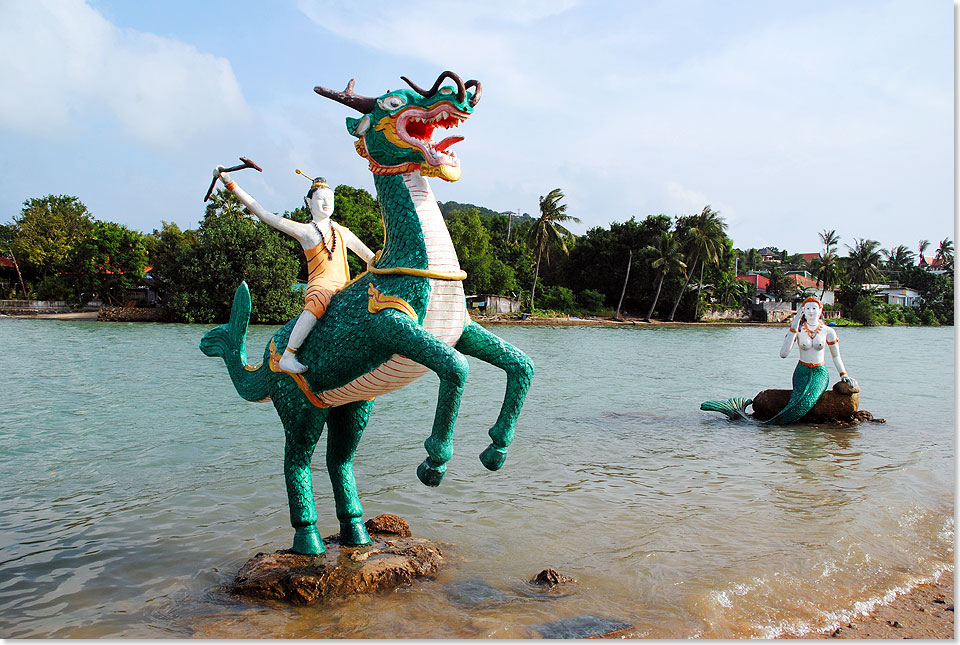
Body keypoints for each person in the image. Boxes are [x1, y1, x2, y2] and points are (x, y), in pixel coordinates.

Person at [214, 166, 375, 373]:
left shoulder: (343, 232)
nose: (326, 203)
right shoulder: (306, 230)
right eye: (320, 198)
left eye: (330, 198)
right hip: (321, 286)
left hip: (345, 284)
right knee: (319, 301)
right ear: (308, 202)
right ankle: (289, 354)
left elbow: (371, 258)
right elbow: (264, 214)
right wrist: (229, 183)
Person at [771, 296, 857, 424]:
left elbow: (836, 356)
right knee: (797, 399)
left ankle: (780, 423)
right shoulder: (799, 330)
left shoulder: (828, 331)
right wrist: (794, 325)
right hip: (801, 371)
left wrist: (843, 374)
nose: (811, 311)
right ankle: (777, 423)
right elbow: (783, 354)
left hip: (819, 371)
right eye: (807, 309)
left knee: (807, 400)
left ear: (820, 310)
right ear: (803, 311)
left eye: (814, 308)